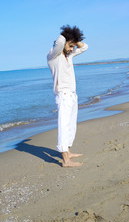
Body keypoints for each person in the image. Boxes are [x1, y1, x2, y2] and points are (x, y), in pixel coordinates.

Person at [47, 25, 88, 167]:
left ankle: (68, 151)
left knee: (71, 125)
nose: (72, 49)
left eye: (73, 46)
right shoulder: (53, 56)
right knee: (64, 126)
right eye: (70, 46)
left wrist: (74, 41)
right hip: (63, 95)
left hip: (72, 94)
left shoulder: (68, 55)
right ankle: (65, 160)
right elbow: (60, 42)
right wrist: (68, 36)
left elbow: (85, 47)